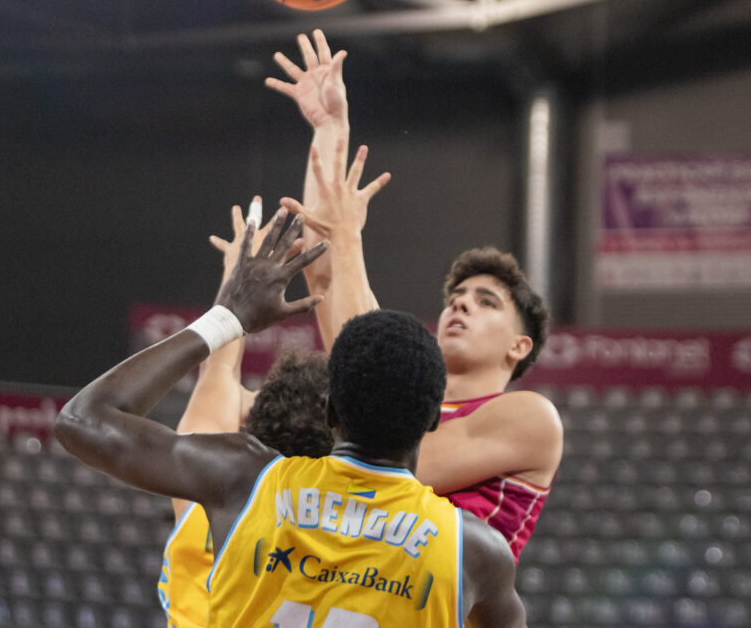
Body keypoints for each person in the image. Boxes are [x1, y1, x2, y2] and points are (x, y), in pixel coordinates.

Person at [57, 211, 524, 627]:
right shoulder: (475, 551)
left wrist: (229, 316)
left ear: (331, 409)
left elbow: (82, 420)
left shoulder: (242, 481)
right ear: (432, 420)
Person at [271, 31, 562, 561]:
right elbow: (323, 273)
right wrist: (329, 129)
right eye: (457, 296)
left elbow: (397, 456)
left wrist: (349, 237)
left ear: (519, 347)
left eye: (487, 301)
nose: (461, 304)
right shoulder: (392, 387)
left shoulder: (528, 418)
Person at [158, 198, 334, 628]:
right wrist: (340, 255)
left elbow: (218, 370)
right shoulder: (353, 535)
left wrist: (237, 279)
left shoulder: (210, 499)